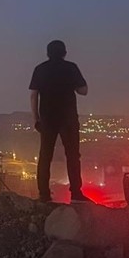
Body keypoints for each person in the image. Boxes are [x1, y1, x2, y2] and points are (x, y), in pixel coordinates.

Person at [29, 39, 88, 203]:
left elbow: (33, 95)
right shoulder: (71, 68)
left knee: (45, 156)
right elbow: (83, 91)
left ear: (47, 53)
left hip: (47, 119)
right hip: (68, 118)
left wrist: (36, 119)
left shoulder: (40, 69)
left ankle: (44, 194)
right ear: (64, 53)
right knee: (73, 155)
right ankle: (76, 193)